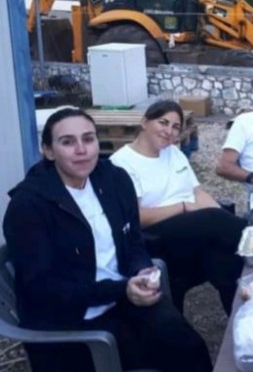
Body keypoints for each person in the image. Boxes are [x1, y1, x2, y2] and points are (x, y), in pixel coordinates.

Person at [3, 108, 211, 372]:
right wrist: (122, 290)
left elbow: (133, 241)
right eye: (67, 142)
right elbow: (46, 288)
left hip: (122, 298)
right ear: (49, 151)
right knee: (157, 360)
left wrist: (141, 270)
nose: (81, 150)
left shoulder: (113, 180)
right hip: (72, 321)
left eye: (88, 139)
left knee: (190, 349)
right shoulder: (29, 205)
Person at [110, 99, 247, 315]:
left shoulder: (173, 153)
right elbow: (135, 217)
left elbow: (198, 193)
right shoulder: (122, 163)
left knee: (223, 258)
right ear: (144, 122)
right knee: (216, 223)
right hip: (154, 235)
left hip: (191, 230)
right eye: (163, 122)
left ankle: (242, 320)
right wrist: (183, 207)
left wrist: (223, 219)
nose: (169, 131)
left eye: (175, 127)